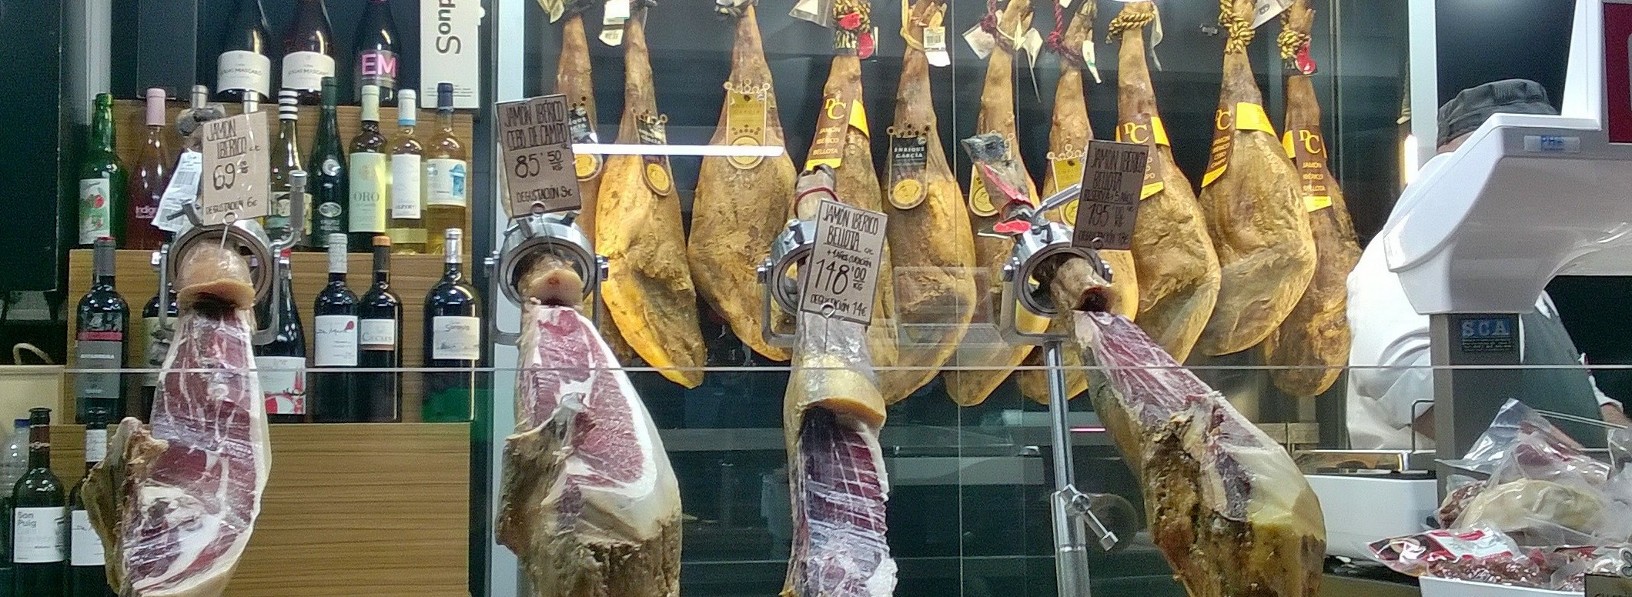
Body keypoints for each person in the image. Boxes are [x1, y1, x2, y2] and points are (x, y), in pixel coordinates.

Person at [1346, 79, 1632, 450]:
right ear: (1449, 165)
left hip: (1548, 501)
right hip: (1445, 500)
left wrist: (1620, 450)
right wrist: (1569, 466)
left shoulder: (1520, 268)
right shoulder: (1402, 255)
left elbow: (1577, 399)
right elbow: (1419, 391)